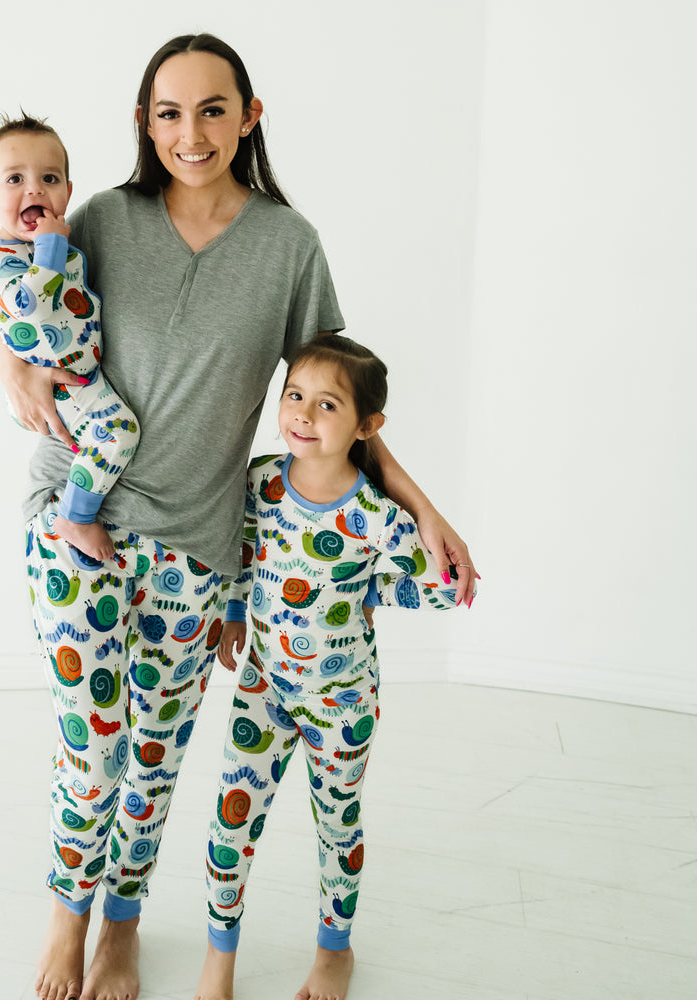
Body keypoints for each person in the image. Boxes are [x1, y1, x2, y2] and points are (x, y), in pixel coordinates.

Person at [0, 34, 478, 1000]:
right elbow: (9, 273)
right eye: (168, 113)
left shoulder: (289, 246)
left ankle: (121, 926)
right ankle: (66, 917)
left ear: (249, 117)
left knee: (156, 755)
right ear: (143, 123)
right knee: (96, 742)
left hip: (198, 546)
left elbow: (336, 401)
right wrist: (6, 362)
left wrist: (421, 508)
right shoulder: (103, 219)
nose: (190, 132)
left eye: (213, 110)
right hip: (75, 513)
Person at [197, 335, 474, 1000]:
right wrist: (235, 613)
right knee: (229, 822)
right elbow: (242, 549)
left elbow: (436, 587)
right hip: (263, 687)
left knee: (337, 822)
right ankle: (218, 960)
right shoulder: (261, 480)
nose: (302, 413)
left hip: (341, 701)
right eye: (295, 396)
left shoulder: (376, 517)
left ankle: (333, 951)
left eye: (326, 405)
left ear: (367, 428)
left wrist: (371, 589)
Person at [0, 114, 139, 561]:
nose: (34, 189)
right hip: (60, 384)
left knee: (109, 435)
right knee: (119, 434)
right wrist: (51, 249)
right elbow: (26, 305)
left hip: (81, 375)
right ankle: (76, 516)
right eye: (15, 179)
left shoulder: (58, 243)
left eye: (49, 178)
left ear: (68, 192)